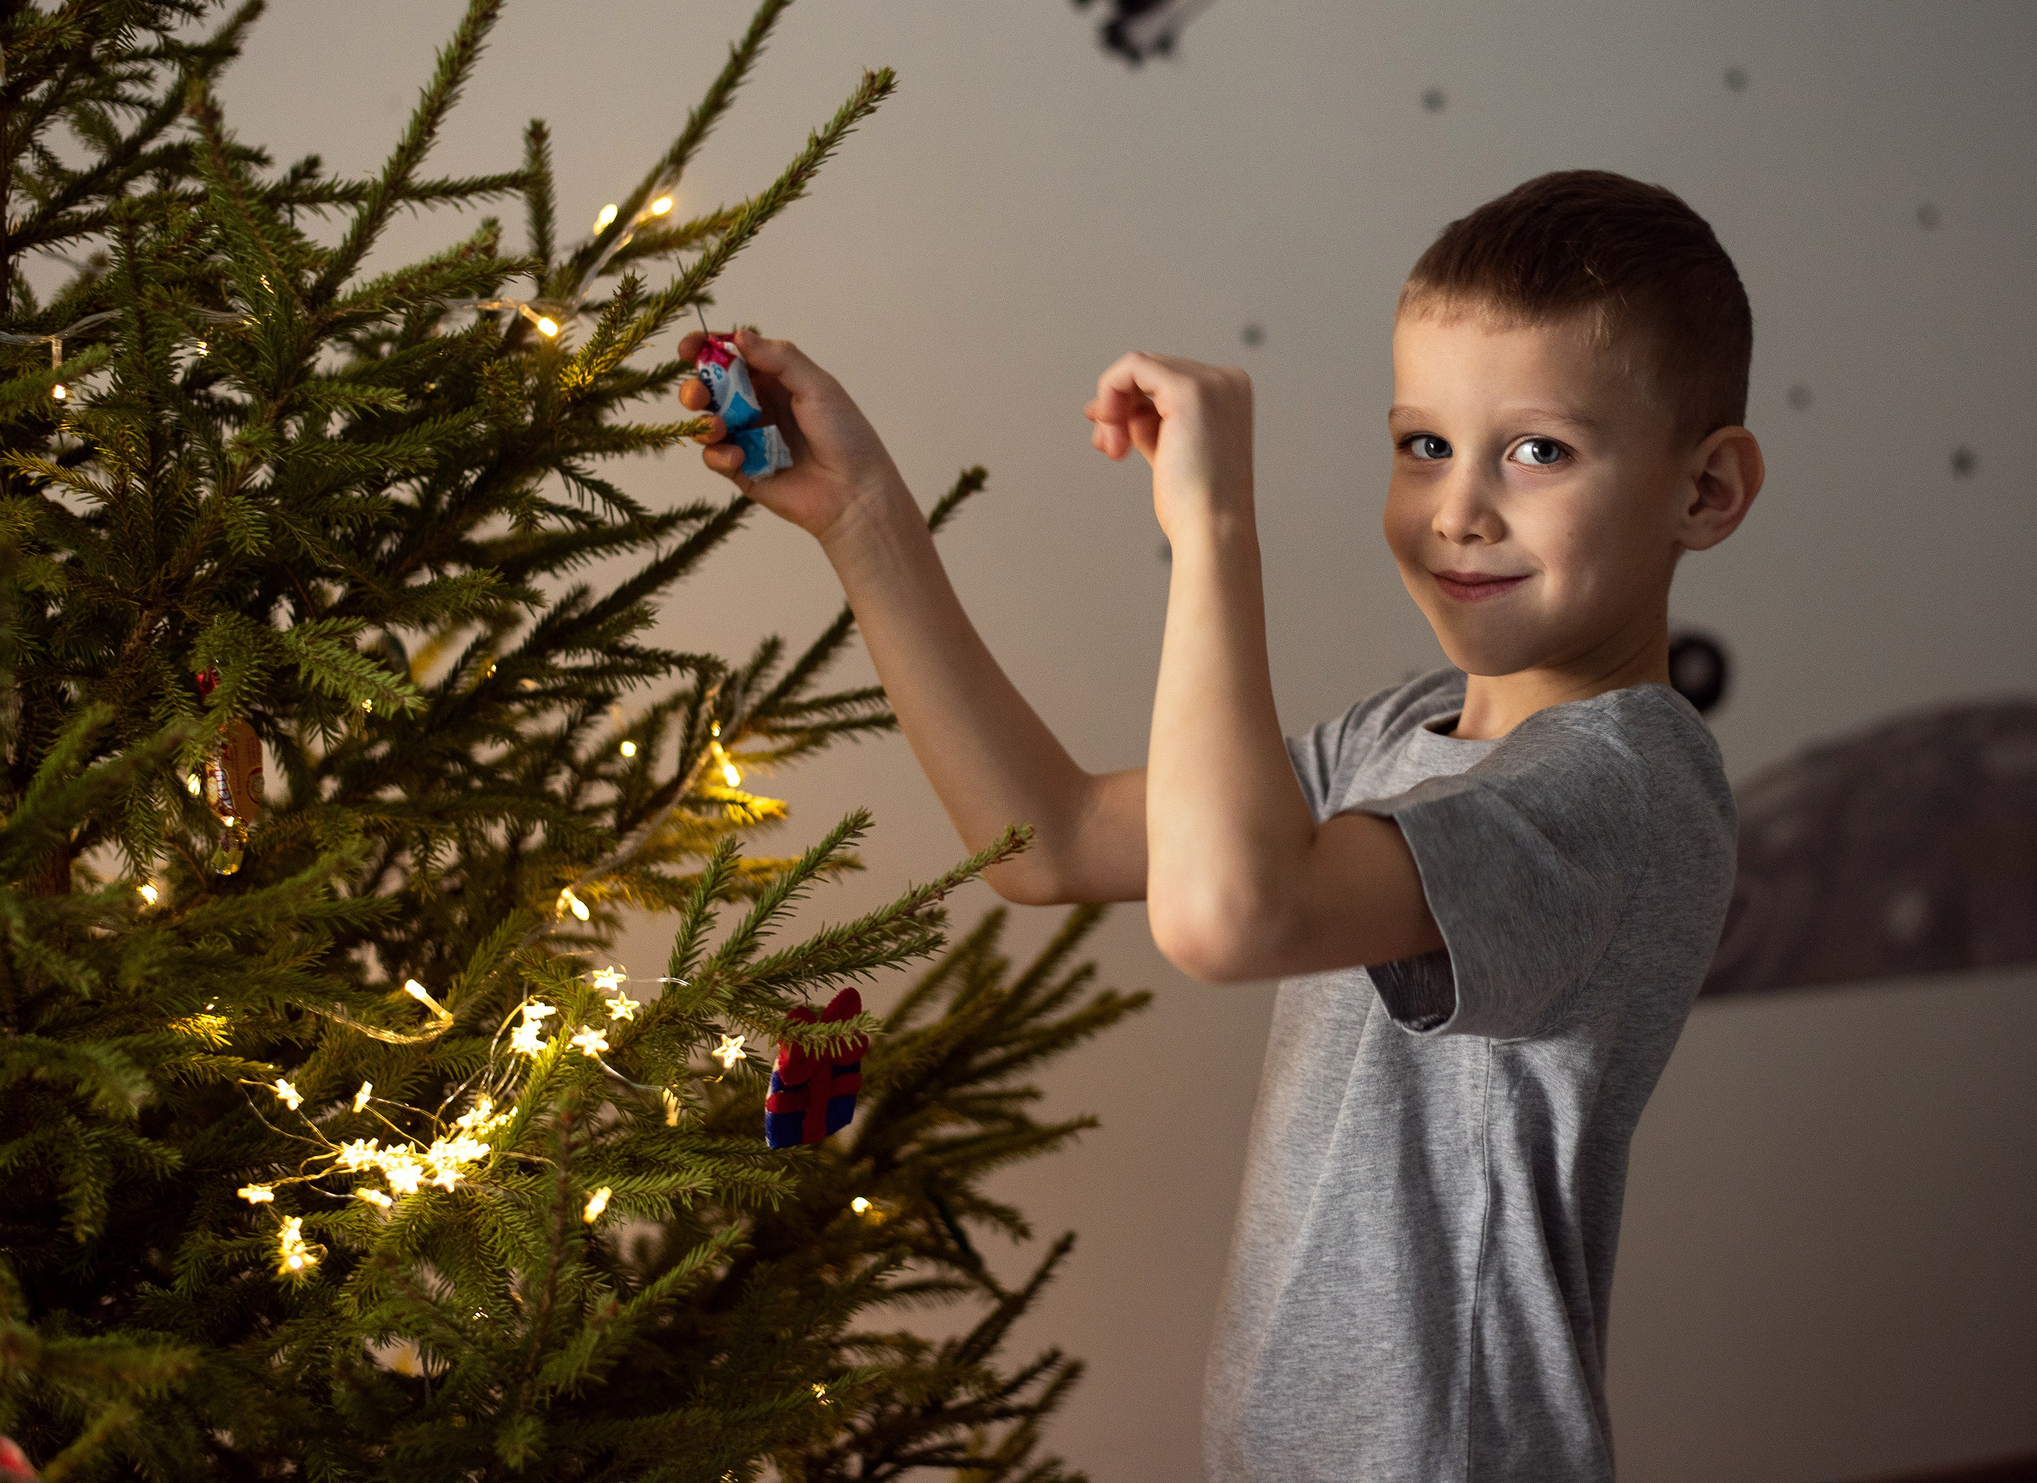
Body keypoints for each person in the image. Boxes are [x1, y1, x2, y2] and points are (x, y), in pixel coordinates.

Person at [678, 169, 1764, 1482]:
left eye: (1538, 449)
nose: (1457, 509)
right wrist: (863, 519)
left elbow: (1229, 912)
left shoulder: (1623, 788)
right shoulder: (1398, 736)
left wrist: (1214, 528)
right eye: (1424, 443)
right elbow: (1053, 838)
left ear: (1704, 493)